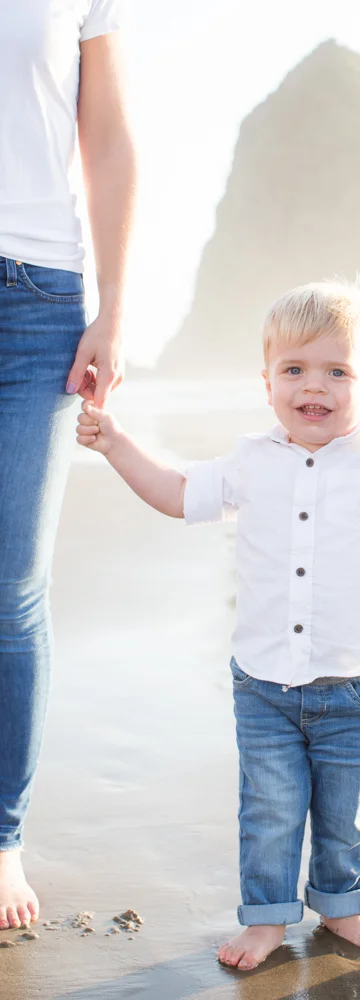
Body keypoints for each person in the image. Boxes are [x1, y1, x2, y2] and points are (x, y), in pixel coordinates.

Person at [75, 276, 360, 969]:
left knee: (346, 812)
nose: (312, 386)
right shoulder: (248, 461)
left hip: (353, 687)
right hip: (263, 685)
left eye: (336, 371)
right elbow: (178, 495)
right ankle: (266, 917)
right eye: (293, 369)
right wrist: (116, 445)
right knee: (267, 811)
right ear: (265, 382)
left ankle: (341, 904)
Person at [0, 1, 135, 931]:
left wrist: (115, 306)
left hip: (37, 295)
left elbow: (110, 140)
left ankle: (0, 840)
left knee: (10, 588)